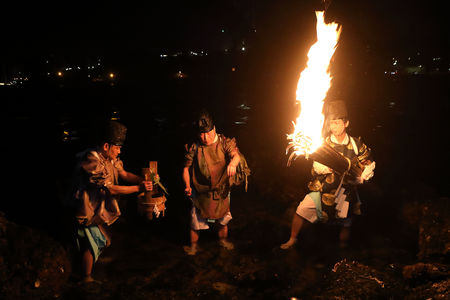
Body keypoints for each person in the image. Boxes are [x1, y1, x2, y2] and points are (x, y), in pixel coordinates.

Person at [281, 100, 375, 250]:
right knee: (301, 210)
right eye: (331, 123)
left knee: (345, 223)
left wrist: (366, 172)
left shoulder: (356, 144)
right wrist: (322, 168)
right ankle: (292, 239)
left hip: (346, 191)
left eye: (337, 123)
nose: (334, 127)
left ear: (346, 123)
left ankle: (343, 249)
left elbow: (367, 160)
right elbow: (315, 165)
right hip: (323, 189)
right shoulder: (323, 144)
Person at [68, 120, 152, 283]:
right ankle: (86, 278)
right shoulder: (91, 159)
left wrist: (144, 180)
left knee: (100, 239)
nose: (120, 151)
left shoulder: (110, 158)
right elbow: (110, 189)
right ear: (106, 146)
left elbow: (124, 174)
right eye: (117, 147)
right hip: (86, 209)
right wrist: (138, 188)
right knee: (91, 243)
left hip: (98, 208)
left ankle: (86, 268)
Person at [182, 109, 241, 255]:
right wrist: (187, 186)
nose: (205, 137)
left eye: (208, 133)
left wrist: (233, 164)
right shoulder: (194, 147)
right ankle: (194, 246)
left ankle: (222, 241)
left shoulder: (224, 142)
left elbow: (236, 156)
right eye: (201, 134)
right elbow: (185, 168)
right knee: (195, 221)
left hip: (221, 190)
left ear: (214, 129)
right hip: (200, 190)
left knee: (223, 220)